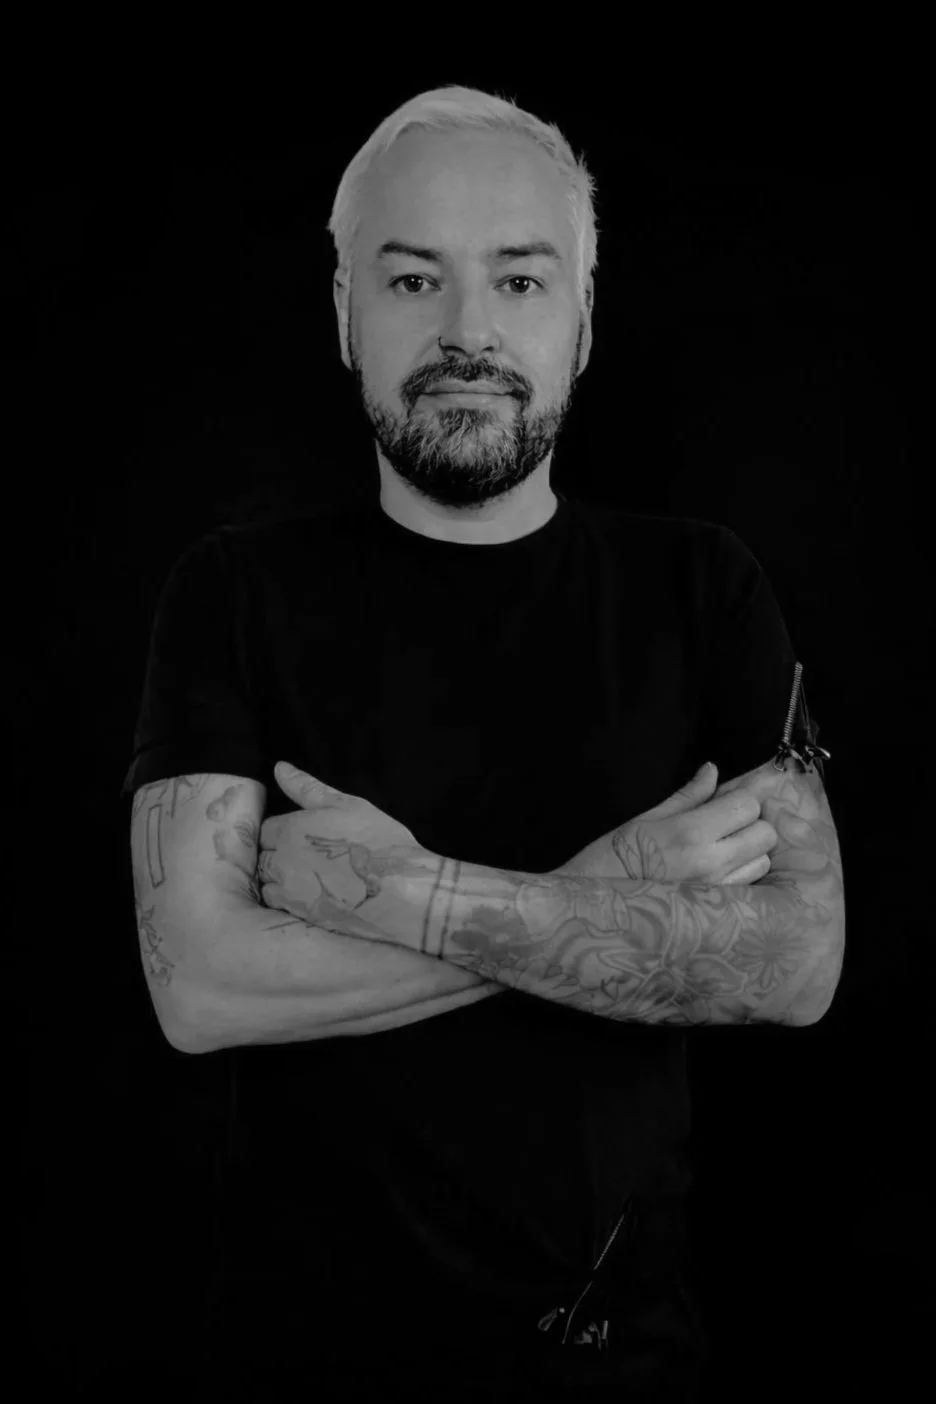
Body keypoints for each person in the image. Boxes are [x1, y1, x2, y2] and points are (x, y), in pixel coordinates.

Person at [121, 85, 815, 1400]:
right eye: (412, 280)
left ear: (587, 318)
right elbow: (199, 988)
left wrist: (405, 898)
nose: (467, 332)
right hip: (297, 1374)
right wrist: (610, 890)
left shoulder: (703, 588)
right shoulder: (235, 592)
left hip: (625, 1367)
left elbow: (796, 961)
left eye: (518, 279)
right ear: (344, 315)